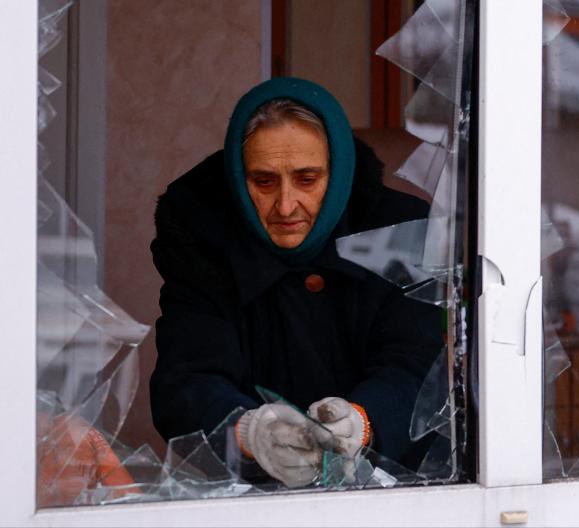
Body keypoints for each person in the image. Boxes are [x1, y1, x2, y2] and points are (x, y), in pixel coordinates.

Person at [149, 77, 443, 487]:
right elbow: (186, 380)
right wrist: (249, 431)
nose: (286, 205)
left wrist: (363, 421)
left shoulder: (398, 234)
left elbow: (422, 368)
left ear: (337, 173)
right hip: (259, 495)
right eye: (264, 182)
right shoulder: (203, 241)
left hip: (395, 489)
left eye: (307, 179)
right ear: (238, 179)